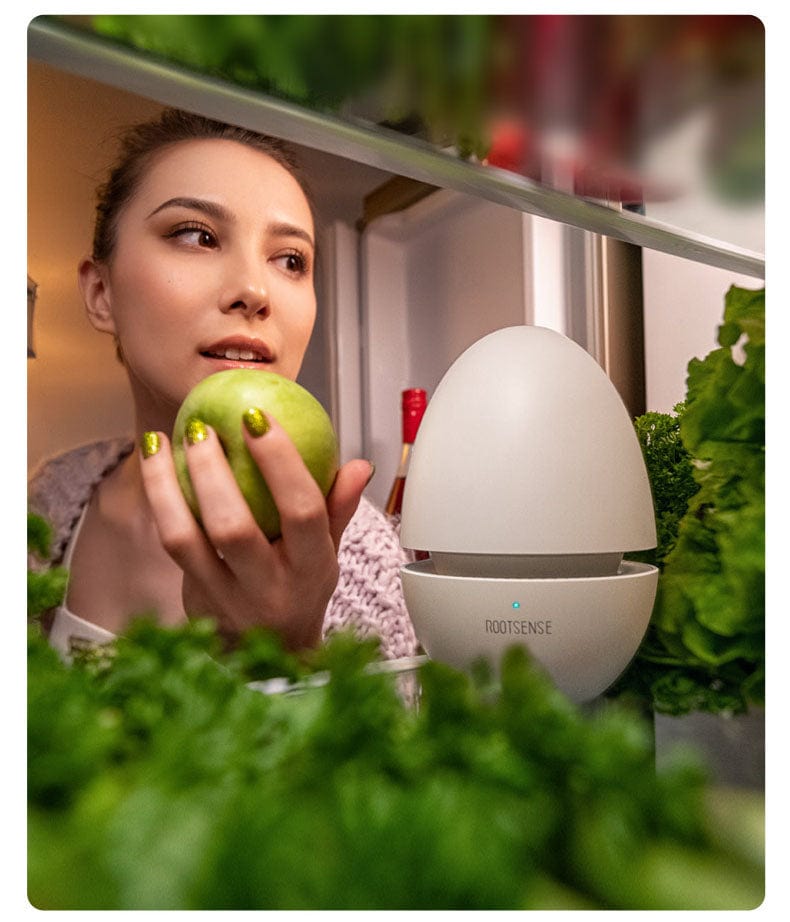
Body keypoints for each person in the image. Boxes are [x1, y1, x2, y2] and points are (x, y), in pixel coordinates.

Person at [28, 108, 418, 662]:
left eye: (290, 259)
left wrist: (289, 655)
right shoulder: (47, 501)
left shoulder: (365, 565)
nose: (255, 290)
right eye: (197, 235)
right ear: (101, 294)